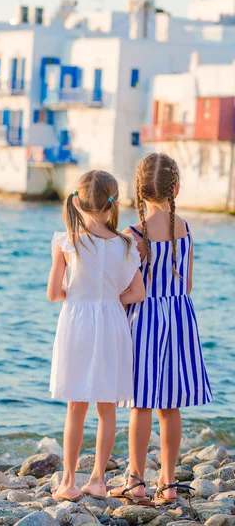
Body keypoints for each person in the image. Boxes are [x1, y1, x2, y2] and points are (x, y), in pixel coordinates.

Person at [109, 153, 212, 505]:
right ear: (177, 188)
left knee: (141, 405)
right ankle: (167, 483)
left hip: (145, 321)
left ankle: (135, 480)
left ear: (139, 191)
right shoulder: (186, 230)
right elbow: (190, 284)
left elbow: (127, 287)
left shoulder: (132, 234)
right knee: (171, 406)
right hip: (180, 319)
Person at [47, 169, 145, 502]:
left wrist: (78, 293)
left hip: (78, 322)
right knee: (107, 407)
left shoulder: (67, 241)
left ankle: (69, 482)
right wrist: (110, 300)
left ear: (78, 202)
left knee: (76, 406)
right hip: (112, 322)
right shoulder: (127, 243)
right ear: (112, 202)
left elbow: (53, 294)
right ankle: (99, 480)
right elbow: (138, 293)